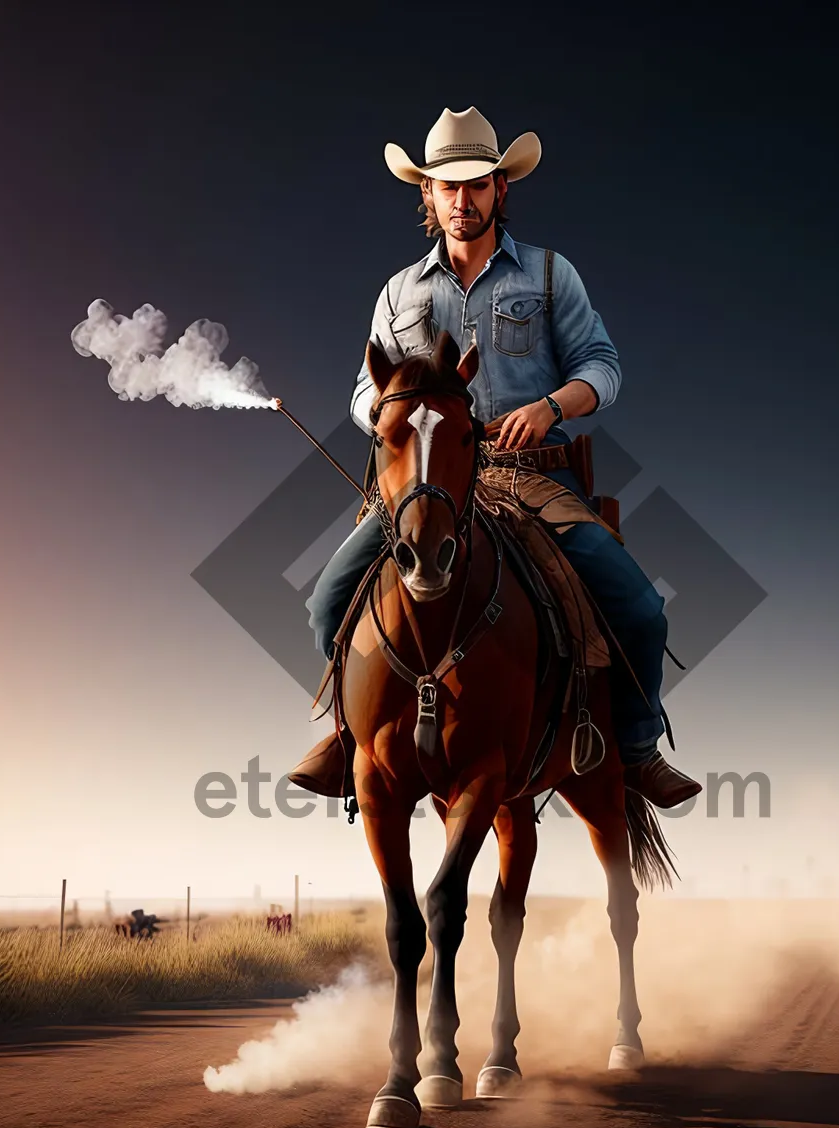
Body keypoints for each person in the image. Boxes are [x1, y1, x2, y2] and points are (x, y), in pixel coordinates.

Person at [287, 105, 700, 810]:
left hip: (531, 480)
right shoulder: (398, 292)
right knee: (327, 602)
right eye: (446, 186)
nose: (462, 199)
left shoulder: (548, 275)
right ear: (426, 193)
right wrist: (394, 419)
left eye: (477, 183)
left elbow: (602, 367)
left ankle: (634, 750)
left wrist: (550, 407)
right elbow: (365, 391)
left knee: (641, 609)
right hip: (423, 485)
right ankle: (347, 740)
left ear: (501, 187)